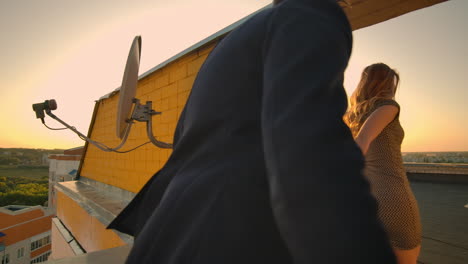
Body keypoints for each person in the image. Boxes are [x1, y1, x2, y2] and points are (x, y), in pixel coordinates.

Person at [108, 1, 396, 263]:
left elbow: (183, 143)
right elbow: (310, 163)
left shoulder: (233, 42)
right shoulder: (310, 16)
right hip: (231, 237)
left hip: (172, 233)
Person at [344, 63, 422, 264]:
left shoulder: (353, 117)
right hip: (394, 198)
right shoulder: (388, 106)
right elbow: (361, 144)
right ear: (386, 84)